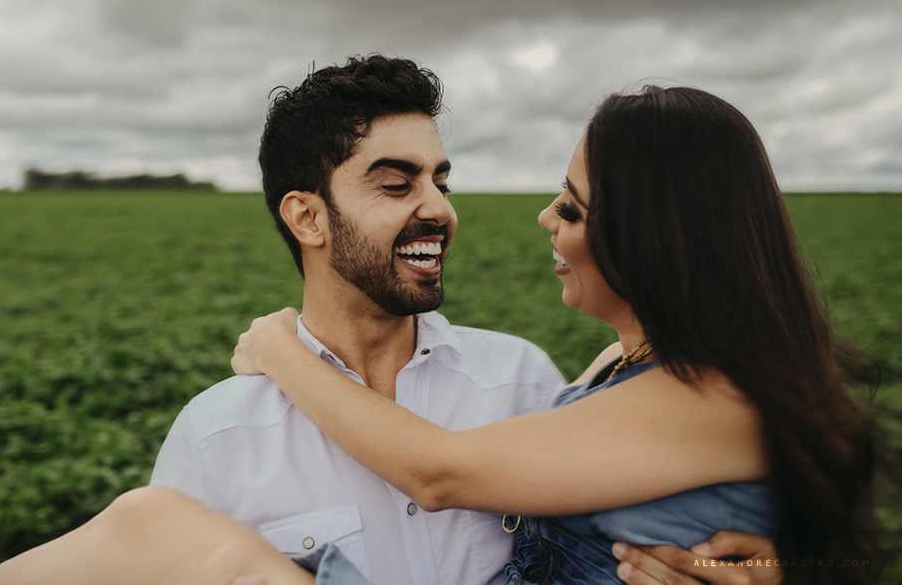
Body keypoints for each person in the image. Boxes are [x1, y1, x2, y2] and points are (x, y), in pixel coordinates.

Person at [0, 59, 781, 585]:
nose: (439, 207)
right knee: (150, 523)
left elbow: (450, 474)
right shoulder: (218, 433)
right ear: (308, 218)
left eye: (441, 178)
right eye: (397, 184)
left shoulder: (527, 380)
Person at [230, 84, 881, 584]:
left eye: (571, 206)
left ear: (649, 238)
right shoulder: (614, 367)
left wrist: (283, 350)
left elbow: (436, 472)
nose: (545, 217)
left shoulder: (714, 393)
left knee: (148, 524)